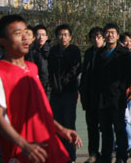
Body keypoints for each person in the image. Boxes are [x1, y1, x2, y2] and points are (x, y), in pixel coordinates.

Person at [0, 14, 81, 163]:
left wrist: (61, 130)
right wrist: (24, 144)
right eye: (17, 33)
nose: (25, 37)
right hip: (23, 151)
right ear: (2, 41)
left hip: (48, 144)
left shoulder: (32, 68)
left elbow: (41, 110)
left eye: (26, 32)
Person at [96, 24, 131, 163]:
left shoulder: (124, 53)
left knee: (120, 129)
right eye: (107, 32)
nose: (110, 35)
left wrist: (121, 87)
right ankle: (106, 157)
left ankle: (121, 157)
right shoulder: (100, 53)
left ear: (118, 36)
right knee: (105, 130)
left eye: (113, 32)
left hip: (117, 98)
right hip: (103, 98)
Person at [48, 24, 82, 161]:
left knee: (69, 124)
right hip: (55, 94)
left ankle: (70, 155)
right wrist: (53, 86)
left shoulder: (74, 51)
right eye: (60, 35)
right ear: (56, 37)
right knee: (56, 125)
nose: (63, 37)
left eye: (65, 35)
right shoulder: (53, 51)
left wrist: (64, 82)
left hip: (69, 93)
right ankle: (59, 154)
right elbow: (50, 71)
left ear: (70, 37)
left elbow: (75, 70)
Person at [79, 27, 106, 163]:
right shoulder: (89, 53)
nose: (96, 40)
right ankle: (93, 154)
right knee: (92, 127)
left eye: (99, 37)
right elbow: (85, 74)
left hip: (103, 98)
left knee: (105, 128)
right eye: (94, 37)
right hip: (89, 97)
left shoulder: (107, 52)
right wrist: (83, 92)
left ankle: (106, 155)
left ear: (103, 38)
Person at [29, 24, 51, 96]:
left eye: (43, 35)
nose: (41, 37)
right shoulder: (29, 51)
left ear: (46, 37)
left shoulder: (51, 51)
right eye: (38, 35)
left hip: (48, 87)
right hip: (33, 85)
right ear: (34, 37)